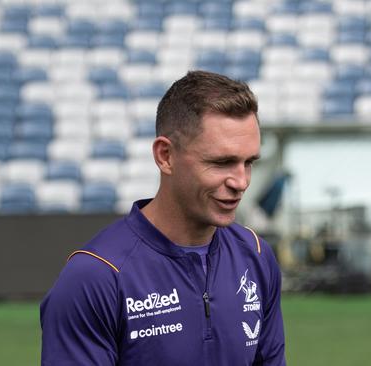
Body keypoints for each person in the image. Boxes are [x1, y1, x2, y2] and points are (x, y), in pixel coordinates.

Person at [40, 70, 286, 365]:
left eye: (248, 163)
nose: (241, 181)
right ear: (165, 156)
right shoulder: (96, 276)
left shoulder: (256, 256)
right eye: (222, 162)